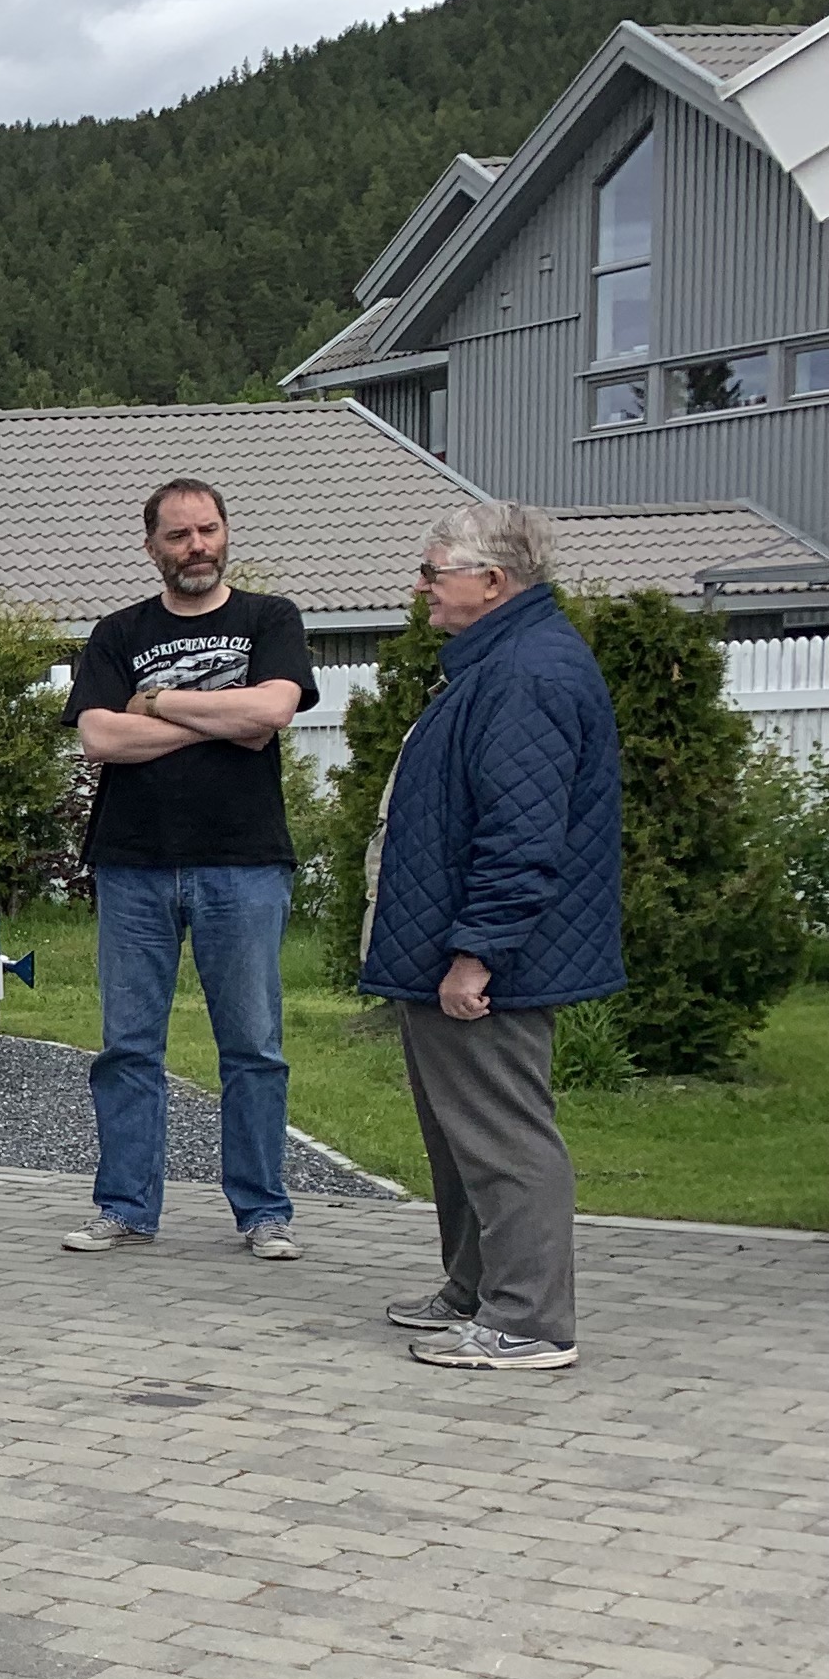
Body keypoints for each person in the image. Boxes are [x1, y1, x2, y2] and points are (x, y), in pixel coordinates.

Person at [361, 501, 622, 1371]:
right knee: (461, 1134)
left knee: (503, 1135)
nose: (421, 588)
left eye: (433, 573)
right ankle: (473, 1290)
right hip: (459, 945)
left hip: (494, 959)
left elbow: (520, 836)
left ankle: (529, 1322)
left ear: (493, 582)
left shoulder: (525, 675)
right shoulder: (504, 661)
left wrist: (477, 954)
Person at [59, 479, 318, 1262]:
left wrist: (157, 703)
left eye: (208, 529)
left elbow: (271, 712)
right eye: (179, 535)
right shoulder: (117, 632)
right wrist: (220, 719)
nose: (197, 546)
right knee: (128, 1048)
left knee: (253, 1047)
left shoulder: (270, 618)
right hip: (133, 864)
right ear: (152, 547)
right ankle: (125, 1207)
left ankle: (263, 1212)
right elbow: (100, 739)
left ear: (226, 532)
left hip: (244, 863)